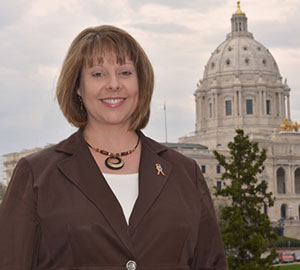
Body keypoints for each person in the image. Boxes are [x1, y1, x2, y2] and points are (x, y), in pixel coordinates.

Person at [0, 25, 228, 270]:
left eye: (125, 72)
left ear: (141, 82)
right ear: (78, 86)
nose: (114, 84)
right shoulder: (37, 175)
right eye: (98, 74)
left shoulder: (185, 173)